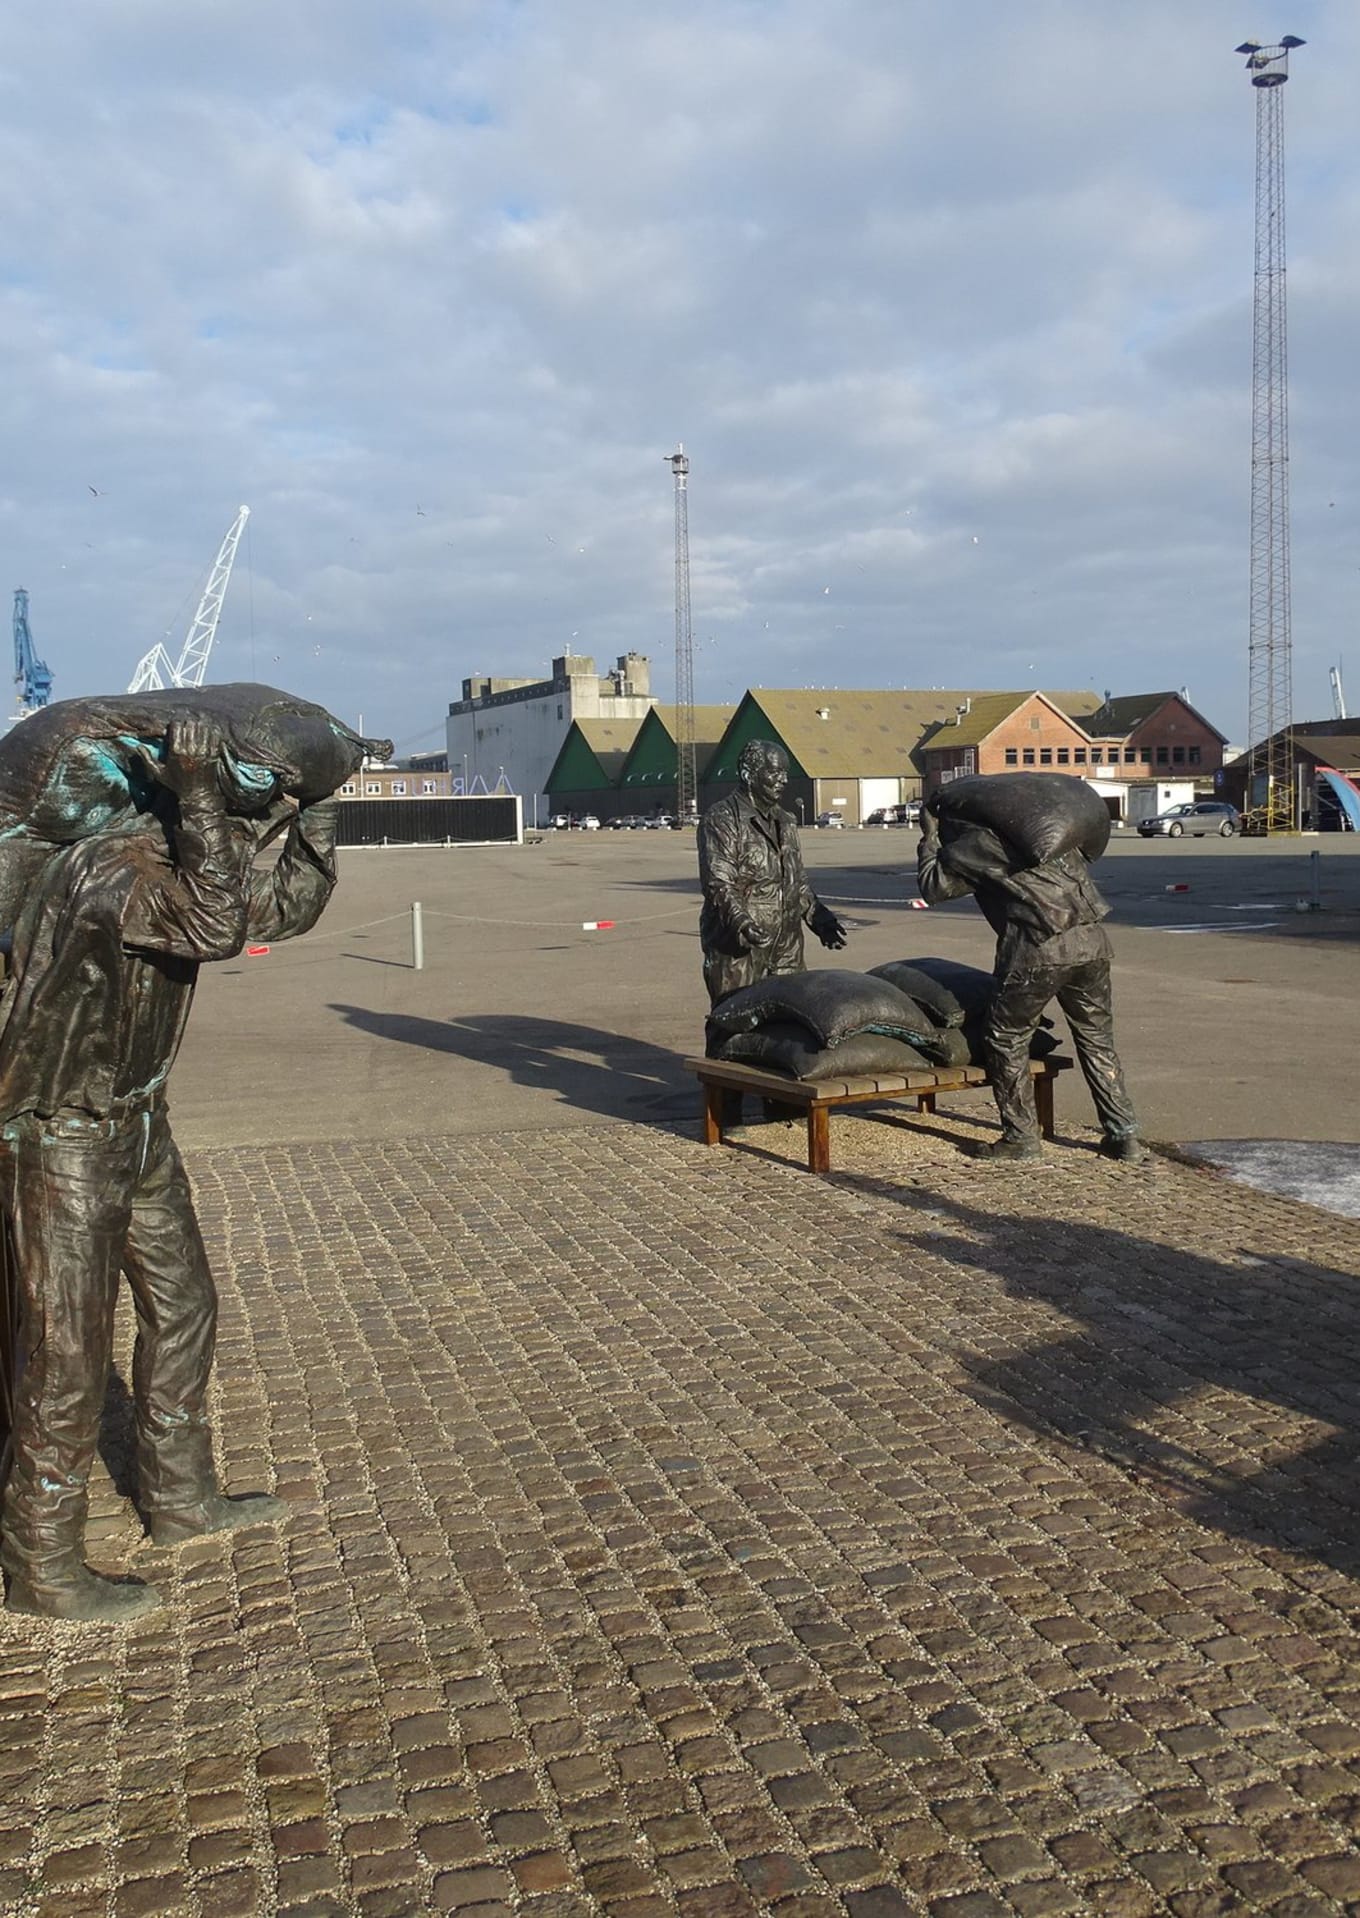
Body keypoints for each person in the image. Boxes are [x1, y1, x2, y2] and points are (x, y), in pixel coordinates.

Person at [0, 716, 347, 1621]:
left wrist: (317, 810)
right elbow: (215, 922)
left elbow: (273, 910)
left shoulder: (170, 854)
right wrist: (200, 792)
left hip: (138, 1120)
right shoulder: (106, 871)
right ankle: (41, 1560)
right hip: (65, 1135)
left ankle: (179, 1493)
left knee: (185, 1305)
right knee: (65, 1352)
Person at [916, 800, 1143, 1163]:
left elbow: (933, 886)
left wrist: (929, 839)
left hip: (1037, 951)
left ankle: (1020, 1137)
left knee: (1005, 1039)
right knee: (1097, 1040)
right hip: (1092, 943)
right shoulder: (1053, 838)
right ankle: (1124, 1134)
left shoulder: (980, 844)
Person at [698, 739, 848, 1007]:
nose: (783, 780)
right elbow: (719, 884)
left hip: (787, 948)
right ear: (748, 774)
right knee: (734, 1026)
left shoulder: (786, 821)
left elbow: (796, 881)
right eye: (774, 773)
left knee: (790, 1022)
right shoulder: (722, 819)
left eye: (785, 773)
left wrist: (819, 917)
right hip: (740, 949)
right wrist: (743, 924)